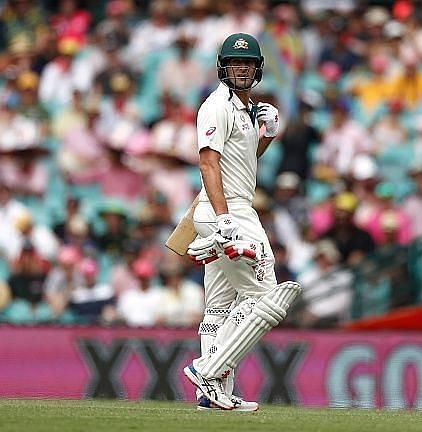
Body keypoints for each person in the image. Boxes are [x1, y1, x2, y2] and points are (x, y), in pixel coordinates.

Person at [182, 33, 301, 411]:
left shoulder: (245, 110)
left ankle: (213, 395)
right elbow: (208, 162)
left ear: (258, 68)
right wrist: (224, 219)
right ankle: (210, 368)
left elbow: (243, 162)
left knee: (219, 306)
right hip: (229, 210)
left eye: (248, 63)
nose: (242, 68)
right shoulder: (215, 106)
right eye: (236, 63)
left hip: (233, 207)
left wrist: (266, 135)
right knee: (268, 297)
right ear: (223, 67)